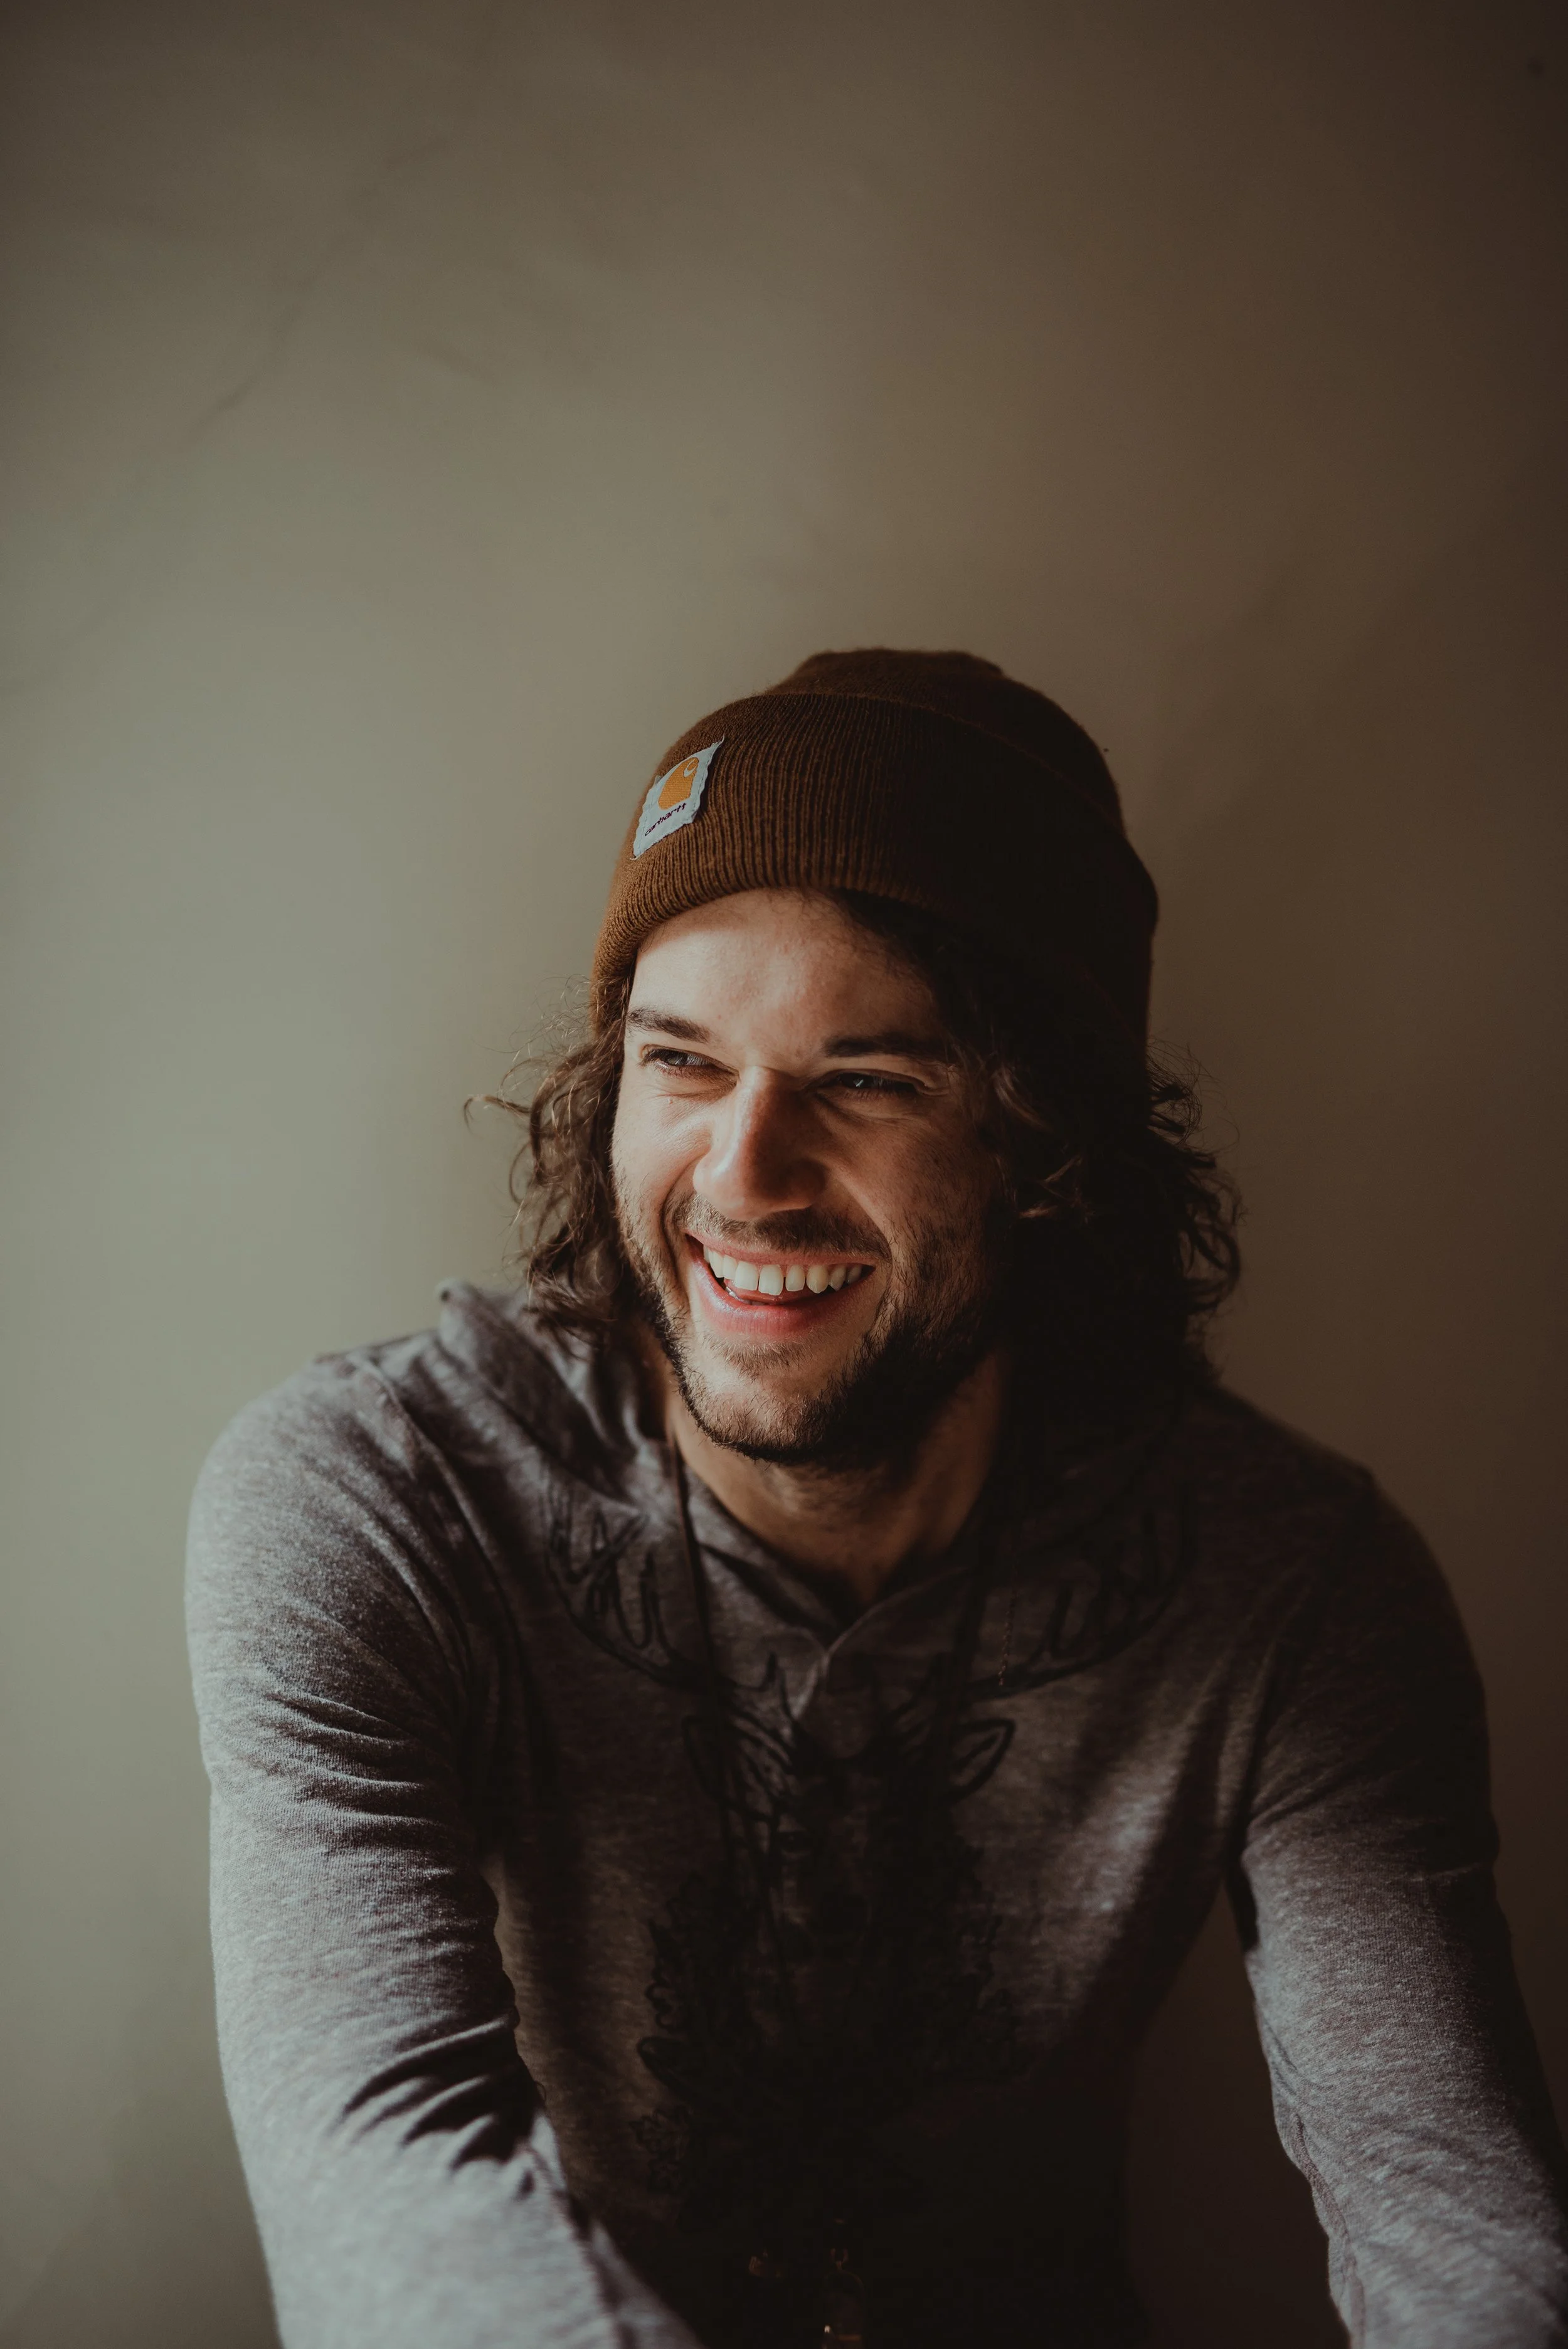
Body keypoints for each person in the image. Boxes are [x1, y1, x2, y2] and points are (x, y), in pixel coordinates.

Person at [188, 649, 1568, 2349]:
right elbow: (375, 2184)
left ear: (1045, 1154)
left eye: (868, 1079)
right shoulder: (376, 1501)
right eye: (680, 1063)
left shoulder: (1287, 1583)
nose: (742, 1177)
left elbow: (1457, 2220)